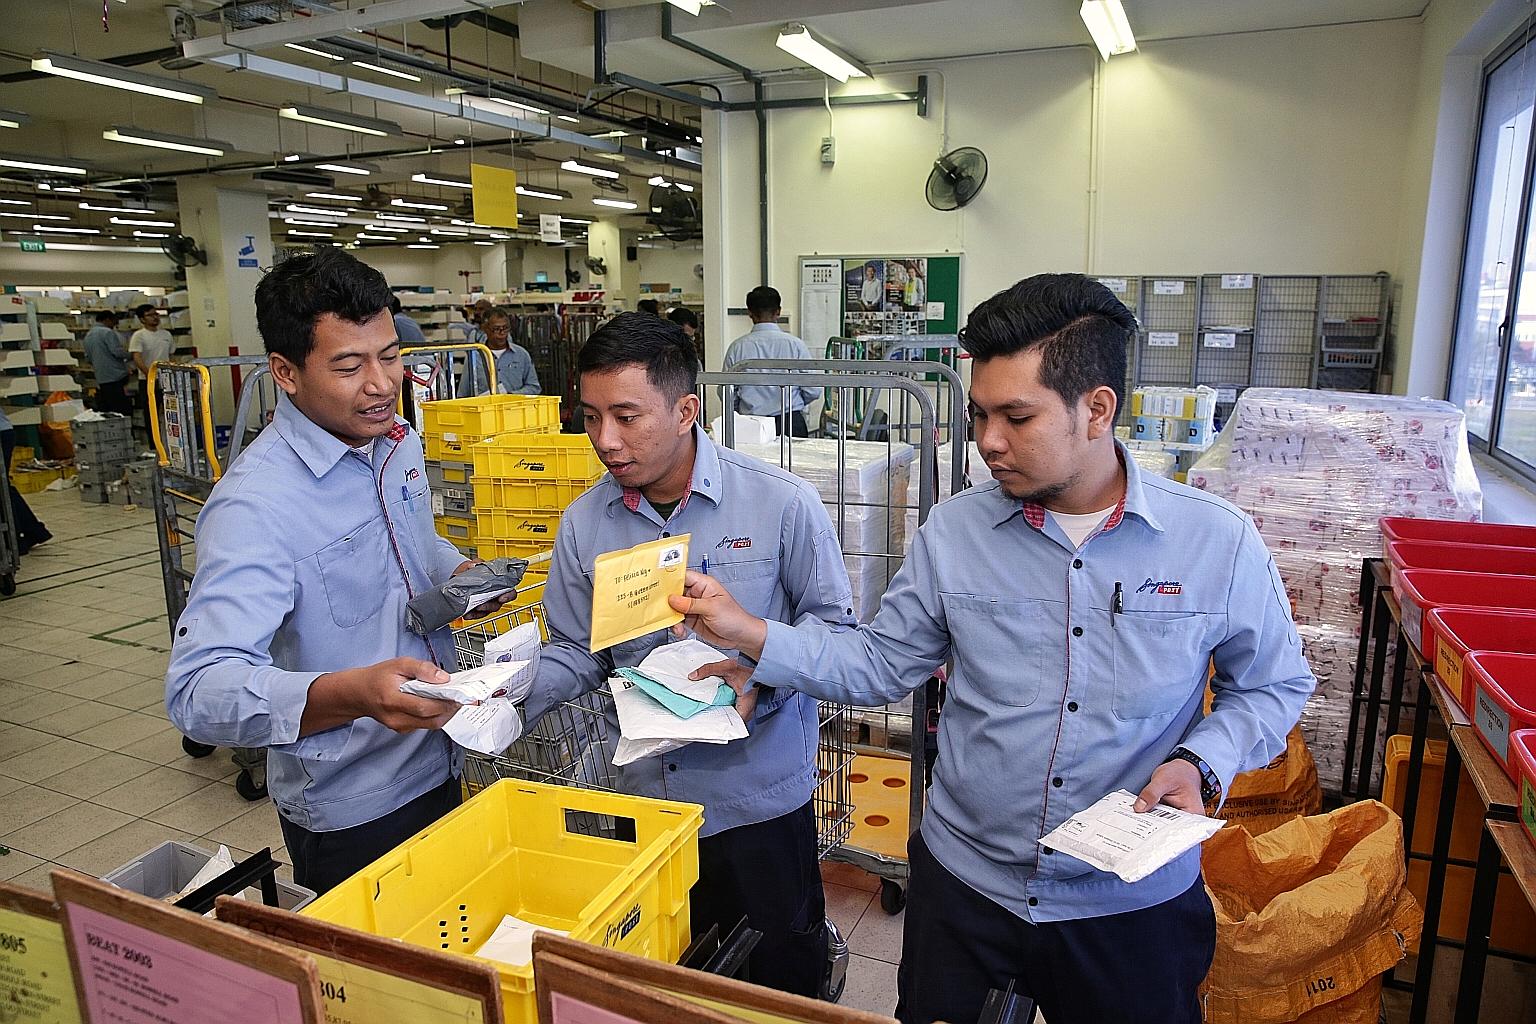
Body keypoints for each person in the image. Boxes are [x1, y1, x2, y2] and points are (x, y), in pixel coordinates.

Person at [669, 274, 1316, 1024]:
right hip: (968, 892)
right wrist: (750, 631)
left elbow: (1272, 685)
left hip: (1128, 905)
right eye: (980, 414)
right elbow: (881, 662)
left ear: (1097, 410)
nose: (988, 441)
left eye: (1016, 416)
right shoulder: (955, 533)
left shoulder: (1216, 541)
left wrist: (1204, 761)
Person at [522, 312, 855, 997]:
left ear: (685, 410)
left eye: (625, 416)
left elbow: (838, 637)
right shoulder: (587, 522)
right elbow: (574, 649)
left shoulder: (781, 505)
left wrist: (762, 672)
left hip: (755, 802)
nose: (605, 441)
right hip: (648, 803)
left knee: (779, 986)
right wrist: (510, 690)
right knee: (671, 984)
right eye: (589, 418)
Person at [165, 248, 507, 894]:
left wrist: (460, 573)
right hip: (354, 808)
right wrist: (354, 693)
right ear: (285, 373)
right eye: (350, 366)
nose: (381, 384)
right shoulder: (256, 506)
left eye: (389, 356)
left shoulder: (395, 443)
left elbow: (415, 540)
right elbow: (197, 689)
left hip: (441, 755)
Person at [720, 287, 819, 437]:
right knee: (795, 460)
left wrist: (739, 411)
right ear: (778, 312)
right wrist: (794, 403)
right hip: (790, 422)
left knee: (749, 461)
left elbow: (726, 392)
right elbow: (813, 390)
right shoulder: (796, 345)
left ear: (750, 313)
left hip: (752, 426)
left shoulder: (737, 347)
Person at [0, 407, 50, 555]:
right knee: (4, 488)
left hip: (1, 434)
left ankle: (16, 541)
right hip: (4, 431)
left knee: (2, 489)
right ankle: (33, 531)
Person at [462, 308, 539, 396]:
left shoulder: (522, 355)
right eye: (496, 329)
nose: (502, 333)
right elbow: (463, 393)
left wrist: (510, 395)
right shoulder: (474, 358)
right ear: (486, 329)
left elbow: (534, 387)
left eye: (505, 328)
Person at [129, 304, 174, 438]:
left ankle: (170, 440)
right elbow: (137, 357)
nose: (155, 317)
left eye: (156, 314)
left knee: (170, 410)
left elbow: (170, 356)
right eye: (150, 315)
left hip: (166, 379)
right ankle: (154, 443)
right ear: (142, 319)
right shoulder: (139, 336)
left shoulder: (166, 334)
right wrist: (150, 374)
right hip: (148, 380)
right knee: (151, 412)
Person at [82, 311, 132, 416]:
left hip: (101, 377)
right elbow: (117, 352)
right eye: (114, 321)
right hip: (115, 376)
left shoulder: (88, 335)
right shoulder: (107, 332)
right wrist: (132, 355)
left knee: (109, 411)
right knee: (121, 411)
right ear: (108, 319)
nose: (115, 325)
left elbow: (88, 358)